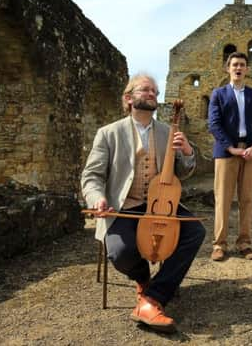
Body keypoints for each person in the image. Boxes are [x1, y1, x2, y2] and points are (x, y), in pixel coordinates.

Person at [81, 74, 205, 333]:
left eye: (155, 91)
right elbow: (91, 176)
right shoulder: (108, 133)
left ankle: (152, 298)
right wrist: (98, 198)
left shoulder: (167, 132)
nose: (152, 94)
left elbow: (181, 173)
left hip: (161, 204)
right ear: (129, 98)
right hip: (123, 206)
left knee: (195, 231)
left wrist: (188, 153)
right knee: (120, 253)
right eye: (145, 90)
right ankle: (142, 278)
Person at [208, 51, 252, 261]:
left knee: (247, 199)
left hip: (250, 152)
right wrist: (230, 148)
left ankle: (244, 243)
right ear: (228, 68)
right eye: (234, 65)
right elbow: (214, 124)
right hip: (226, 153)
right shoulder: (218, 94)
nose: (238, 68)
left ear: (247, 69)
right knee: (223, 199)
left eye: (242, 65)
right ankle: (219, 244)